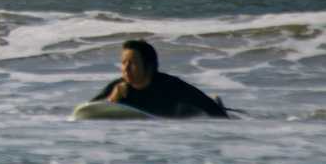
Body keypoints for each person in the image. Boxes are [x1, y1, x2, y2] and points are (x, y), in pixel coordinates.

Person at [90, 38, 228, 118]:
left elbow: (206, 105)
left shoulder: (170, 86)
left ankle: (215, 99)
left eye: (132, 64)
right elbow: (86, 110)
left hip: (187, 113)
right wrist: (111, 100)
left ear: (149, 66)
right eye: (123, 63)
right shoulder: (118, 88)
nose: (125, 69)